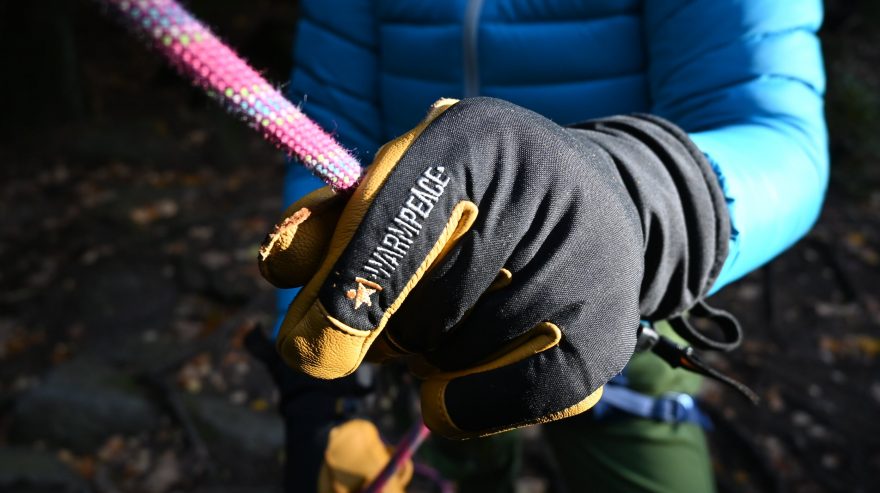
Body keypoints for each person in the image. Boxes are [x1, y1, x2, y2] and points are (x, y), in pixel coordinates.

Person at [259, 1, 827, 492]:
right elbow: (333, 121)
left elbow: (777, 134)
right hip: (418, 301)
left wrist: (628, 200)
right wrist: (320, 396)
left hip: (629, 286)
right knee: (457, 450)